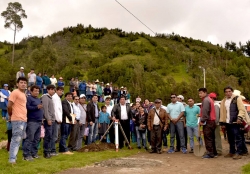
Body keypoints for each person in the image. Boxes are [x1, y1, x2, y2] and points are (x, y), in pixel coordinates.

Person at [220, 86, 246, 159]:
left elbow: (241, 109)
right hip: (227, 122)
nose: (228, 93)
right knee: (230, 138)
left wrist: (239, 117)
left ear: (232, 91)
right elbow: (222, 112)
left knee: (238, 137)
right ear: (224, 93)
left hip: (235, 121)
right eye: (226, 92)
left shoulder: (237, 98)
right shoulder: (223, 101)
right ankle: (232, 152)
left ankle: (239, 153)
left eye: (229, 91)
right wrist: (222, 123)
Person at [8, 77, 28, 164]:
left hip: (23, 119)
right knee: (16, 139)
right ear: (17, 84)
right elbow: (9, 105)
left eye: (25, 83)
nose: (23, 84)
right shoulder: (15, 92)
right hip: (17, 119)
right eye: (21, 82)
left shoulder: (23, 94)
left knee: (19, 139)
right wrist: (11, 115)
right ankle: (12, 160)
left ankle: (14, 158)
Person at [23, 85, 43, 161]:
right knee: (29, 139)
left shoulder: (38, 99)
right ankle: (26, 155)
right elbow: (27, 107)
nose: (37, 92)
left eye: (38, 91)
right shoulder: (29, 98)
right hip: (32, 121)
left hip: (39, 121)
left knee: (37, 139)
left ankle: (34, 153)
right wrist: (36, 107)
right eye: (35, 91)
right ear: (31, 91)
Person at [198, 88, 217, 159]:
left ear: (205, 92)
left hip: (208, 122)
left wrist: (202, 121)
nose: (200, 94)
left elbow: (205, 112)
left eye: (201, 93)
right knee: (212, 138)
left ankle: (210, 153)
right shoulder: (209, 99)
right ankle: (214, 152)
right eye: (199, 93)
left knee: (208, 138)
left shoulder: (206, 100)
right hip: (212, 121)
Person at [41, 85, 56, 159]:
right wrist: (48, 119)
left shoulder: (51, 98)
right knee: (48, 136)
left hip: (52, 120)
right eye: (51, 89)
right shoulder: (45, 97)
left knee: (51, 136)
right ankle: (46, 152)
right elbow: (45, 109)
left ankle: (49, 151)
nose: (53, 91)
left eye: (54, 90)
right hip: (48, 120)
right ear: (48, 90)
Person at [52, 86, 64, 154]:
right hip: (56, 120)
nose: (61, 92)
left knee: (56, 136)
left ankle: (53, 150)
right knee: (54, 136)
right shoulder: (55, 98)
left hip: (58, 120)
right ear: (56, 90)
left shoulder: (58, 98)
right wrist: (58, 119)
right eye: (59, 90)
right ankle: (52, 150)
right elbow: (55, 110)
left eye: (62, 91)